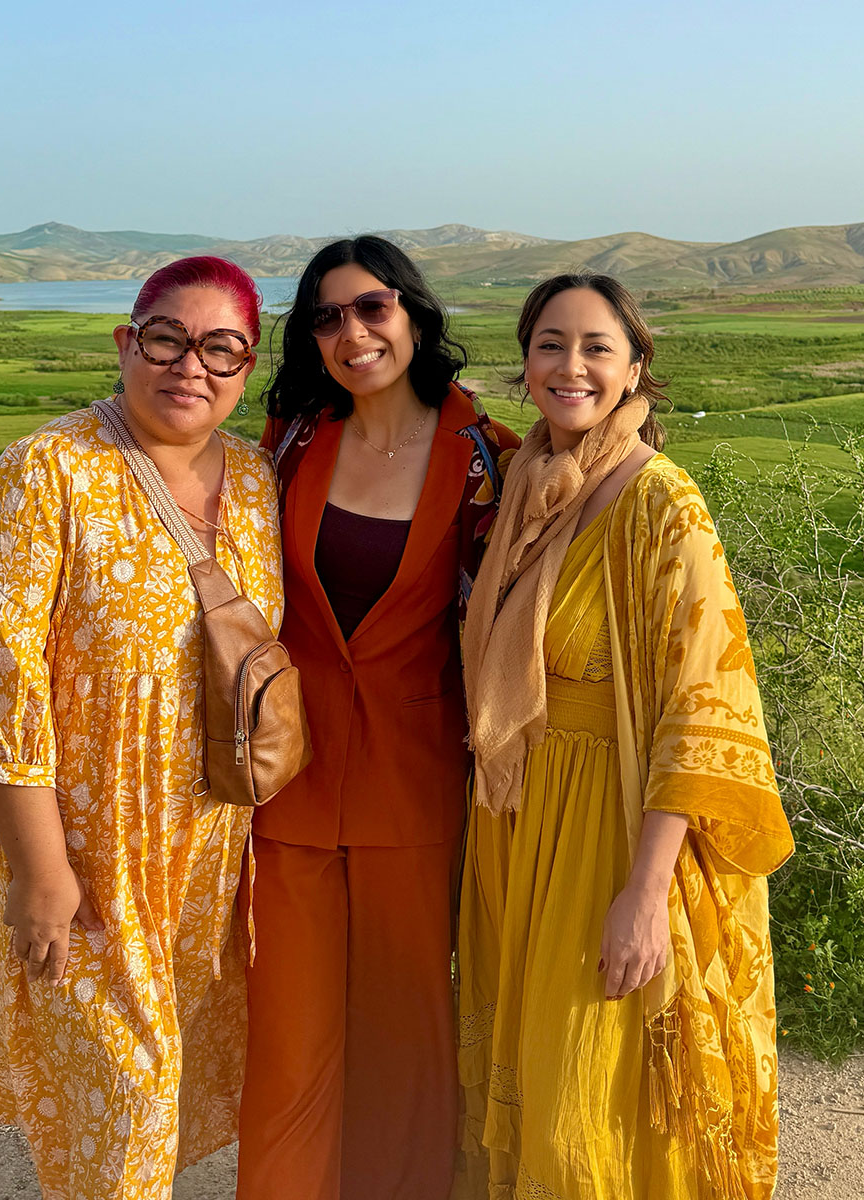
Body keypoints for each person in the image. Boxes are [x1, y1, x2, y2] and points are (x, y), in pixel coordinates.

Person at [0, 257, 282, 1200]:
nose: (191, 368)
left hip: (213, 857)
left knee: (164, 1107)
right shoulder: (48, 469)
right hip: (92, 851)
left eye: (223, 349)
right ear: (127, 342)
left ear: (248, 367)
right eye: (168, 339)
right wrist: (41, 869)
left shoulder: (255, 477)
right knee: (120, 1110)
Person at [456, 273, 794, 1200]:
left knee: (585, 1098)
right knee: (530, 1066)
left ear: (635, 365)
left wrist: (646, 893)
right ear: (525, 365)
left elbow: (703, 708)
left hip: (613, 828)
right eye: (550, 345)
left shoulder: (661, 504)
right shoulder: (529, 487)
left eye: (596, 347)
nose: (572, 366)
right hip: (522, 819)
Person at [235, 236, 519, 1200]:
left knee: (407, 1031)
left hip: (418, 776)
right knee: (288, 1033)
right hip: (289, 777)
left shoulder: (489, 458)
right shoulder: (290, 441)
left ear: (414, 313)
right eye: (325, 317)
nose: (350, 332)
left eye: (371, 308)